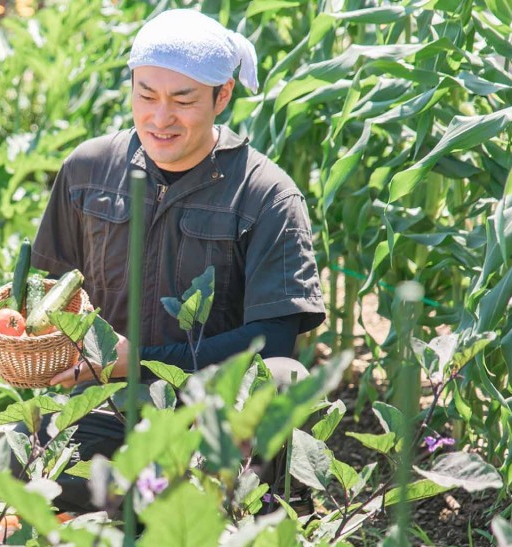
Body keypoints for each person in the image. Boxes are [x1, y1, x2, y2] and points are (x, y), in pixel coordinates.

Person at [28, 9, 326, 511]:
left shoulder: (266, 195)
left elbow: (273, 341)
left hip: (209, 415)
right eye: (145, 95)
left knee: (279, 376)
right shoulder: (88, 170)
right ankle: (147, 504)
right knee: (14, 465)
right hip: (106, 407)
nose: (159, 118)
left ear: (223, 95)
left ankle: (206, 503)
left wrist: (137, 359)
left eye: (183, 100)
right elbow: (47, 288)